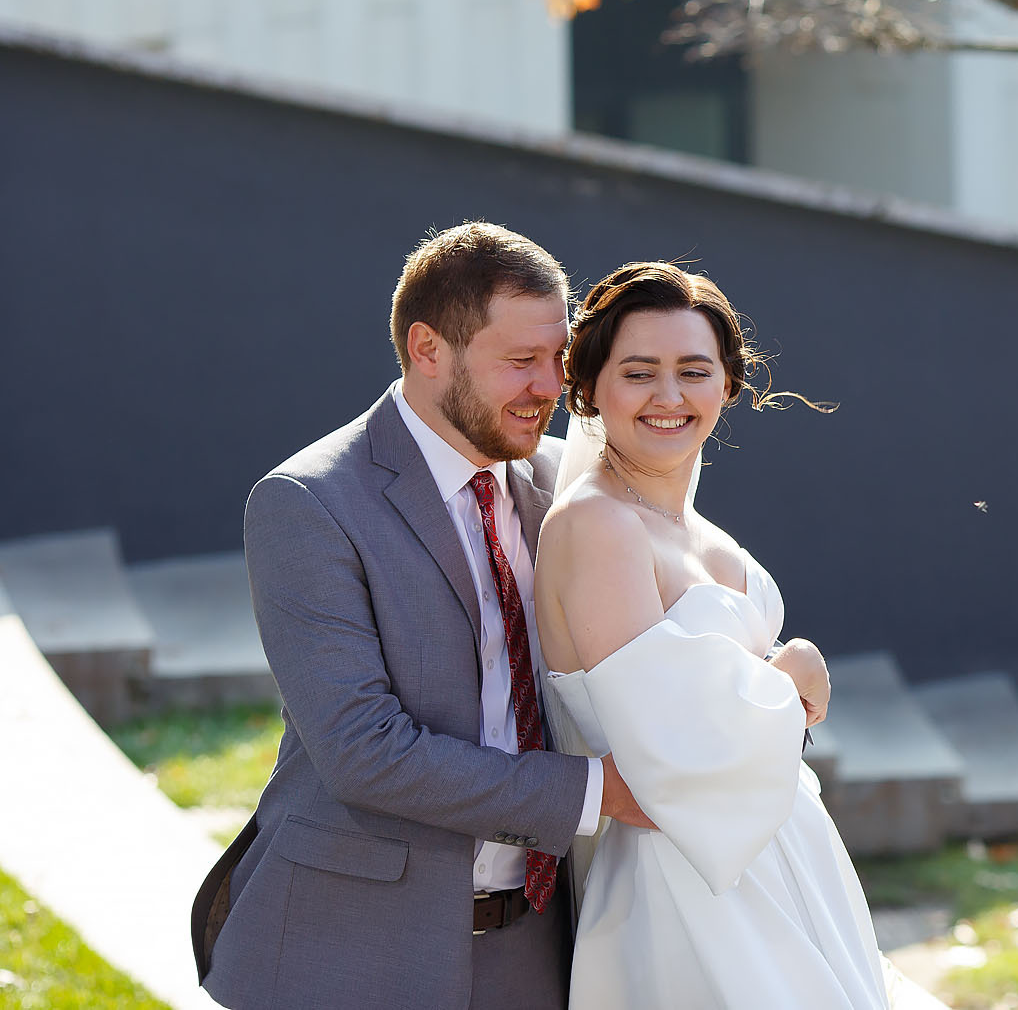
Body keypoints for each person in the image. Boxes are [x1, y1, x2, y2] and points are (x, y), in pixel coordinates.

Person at [191, 223, 784, 1009]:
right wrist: (593, 792)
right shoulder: (309, 503)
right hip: (350, 950)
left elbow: (668, 656)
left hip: (537, 945)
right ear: (428, 349)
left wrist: (782, 682)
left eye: (558, 358)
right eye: (520, 362)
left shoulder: (567, 488)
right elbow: (364, 752)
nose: (551, 386)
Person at [536, 261, 913, 1009]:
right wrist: (792, 666)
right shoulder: (595, 524)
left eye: (694, 371)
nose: (669, 396)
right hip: (688, 883)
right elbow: (668, 747)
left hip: (786, 859)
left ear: (729, 385)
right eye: (639, 372)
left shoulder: (705, 534)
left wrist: (769, 676)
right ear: (588, 387)